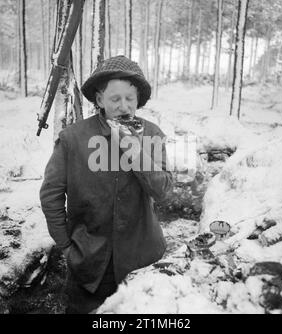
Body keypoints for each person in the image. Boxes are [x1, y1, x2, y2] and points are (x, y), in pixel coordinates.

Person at [40, 55, 173, 314]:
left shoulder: (153, 134)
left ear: (138, 101)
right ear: (99, 100)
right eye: (115, 99)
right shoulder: (73, 139)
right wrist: (66, 247)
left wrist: (135, 151)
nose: (124, 106)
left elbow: (164, 192)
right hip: (89, 266)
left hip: (142, 262)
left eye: (129, 99)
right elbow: (51, 196)